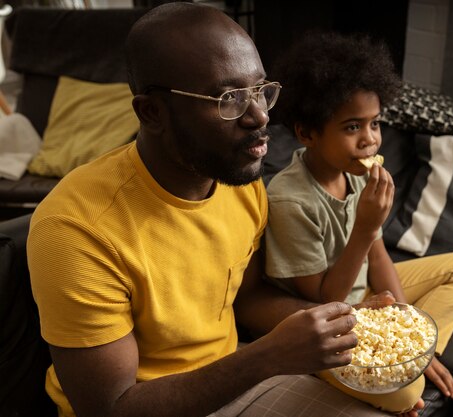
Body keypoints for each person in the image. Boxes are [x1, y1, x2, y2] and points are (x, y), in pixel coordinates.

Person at [26, 4, 401, 417]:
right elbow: (110, 408)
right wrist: (265, 358)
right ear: (152, 112)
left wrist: (338, 321)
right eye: (230, 98)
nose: (260, 116)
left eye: (261, 90)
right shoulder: (75, 229)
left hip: (236, 379)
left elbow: (249, 297)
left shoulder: (239, 184)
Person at [264, 32, 453, 417]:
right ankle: (350, 370)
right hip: (327, 318)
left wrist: (406, 332)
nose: (370, 141)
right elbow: (322, 300)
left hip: (366, 298)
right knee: (405, 392)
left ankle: (413, 353)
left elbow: (379, 257)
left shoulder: (360, 175)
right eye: (352, 127)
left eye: (375, 124)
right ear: (306, 133)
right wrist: (364, 228)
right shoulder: (290, 200)